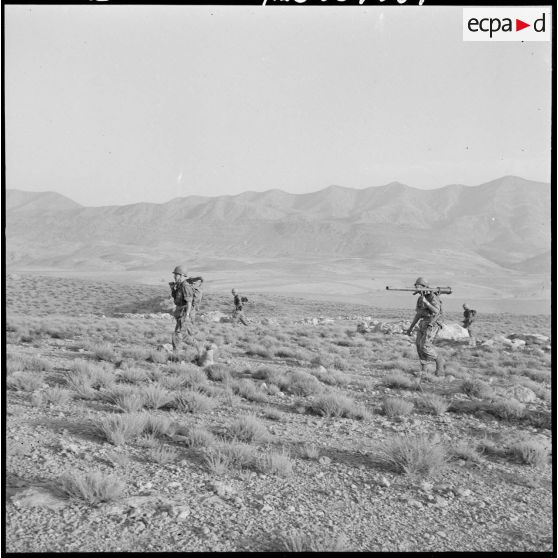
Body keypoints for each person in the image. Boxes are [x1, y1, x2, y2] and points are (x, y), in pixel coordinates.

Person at [405, 277, 445, 376]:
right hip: (423, 323)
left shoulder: (432, 297)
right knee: (419, 345)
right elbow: (418, 314)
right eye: (415, 285)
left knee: (425, 346)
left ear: (424, 286)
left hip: (433, 323)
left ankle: (439, 361)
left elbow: (436, 311)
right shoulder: (420, 299)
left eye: (418, 285)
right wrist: (411, 327)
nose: (416, 287)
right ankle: (424, 369)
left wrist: (426, 303)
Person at [169, 265, 195, 352]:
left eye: (176, 275)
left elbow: (189, 302)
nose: (174, 276)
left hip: (184, 313)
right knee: (187, 333)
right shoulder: (179, 285)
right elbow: (176, 298)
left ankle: (176, 354)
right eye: (174, 274)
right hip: (180, 312)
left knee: (178, 334)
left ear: (181, 275)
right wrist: (173, 289)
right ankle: (199, 348)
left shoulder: (185, 286)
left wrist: (187, 315)